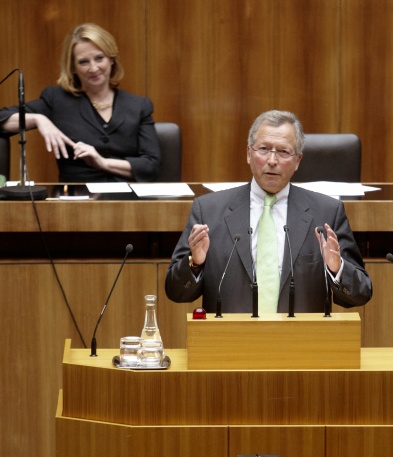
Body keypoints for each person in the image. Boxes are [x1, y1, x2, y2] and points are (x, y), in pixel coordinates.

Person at [165, 110, 372, 314]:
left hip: (300, 335)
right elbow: (175, 292)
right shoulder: (208, 211)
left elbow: (360, 293)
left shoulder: (327, 212)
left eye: (283, 152)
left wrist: (337, 268)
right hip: (230, 335)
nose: (272, 160)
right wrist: (195, 264)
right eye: (264, 149)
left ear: (298, 160)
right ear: (249, 153)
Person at [0, 23, 160, 183]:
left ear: (111, 59)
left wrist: (102, 163)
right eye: (83, 62)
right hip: (77, 194)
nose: (93, 68)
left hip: (128, 196)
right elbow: (2, 118)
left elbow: (151, 165)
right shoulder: (58, 100)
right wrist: (37, 119)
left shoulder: (139, 105)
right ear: (73, 68)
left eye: (99, 58)